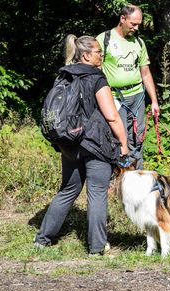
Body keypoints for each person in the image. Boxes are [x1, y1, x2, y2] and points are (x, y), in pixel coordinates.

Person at [34, 34, 128, 255]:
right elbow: (112, 116)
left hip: (69, 143)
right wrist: (123, 142)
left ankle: (42, 239)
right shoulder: (96, 78)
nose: (101, 56)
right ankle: (96, 248)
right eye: (98, 52)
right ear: (86, 55)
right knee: (96, 192)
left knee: (67, 190)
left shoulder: (63, 76)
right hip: (95, 144)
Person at [97, 4, 159, 170]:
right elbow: (96, 71)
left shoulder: (139, 43)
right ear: (122, 19)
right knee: (119, 137)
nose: (136, 27)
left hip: (137, 96)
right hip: (114, 97)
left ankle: (137, 173)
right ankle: (117, 175)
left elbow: (145, 73)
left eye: (138, 24)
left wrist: (154, 101)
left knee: (137, 139)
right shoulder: (104, 39)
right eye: (133, 24)